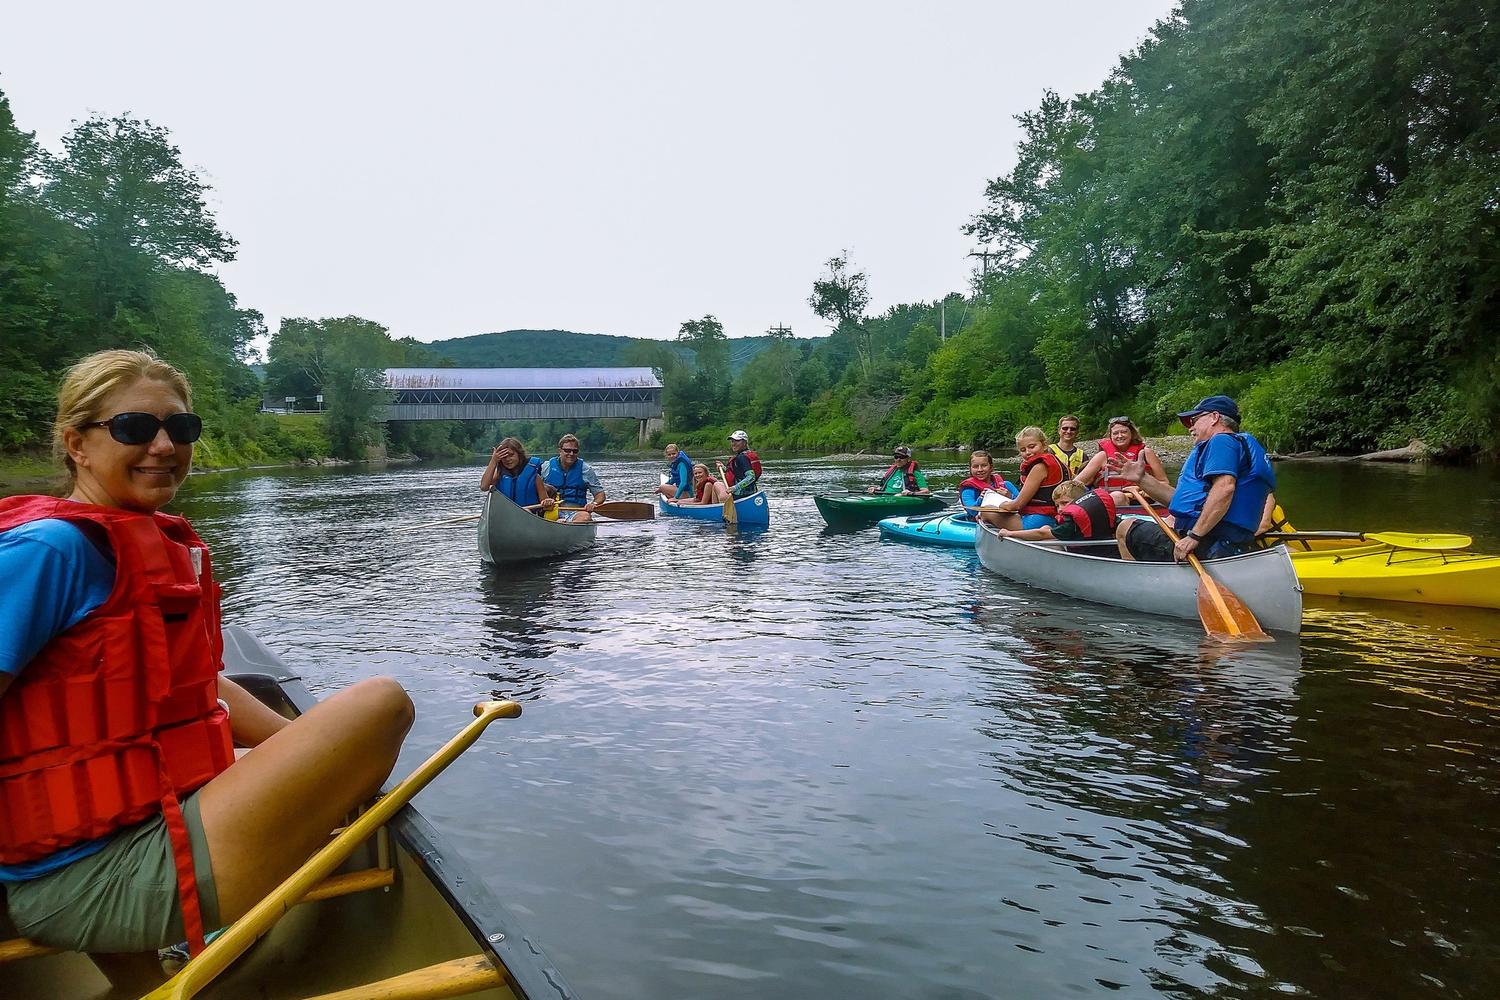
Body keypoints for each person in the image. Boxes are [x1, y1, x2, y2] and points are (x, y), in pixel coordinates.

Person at [0, 349, 413, 978]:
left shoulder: (140, 538)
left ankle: (157, 974)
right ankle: (192, 940)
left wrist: (310, 756)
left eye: (181, 429)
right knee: (382, 704)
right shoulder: (51, 550)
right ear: (77, 444)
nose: (164, 445)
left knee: (291, 752)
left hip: (129, 827)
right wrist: (341, 764)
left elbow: (196, 686)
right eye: (135, 429)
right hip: (84, 874)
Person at [1114, 395, 1277, 562]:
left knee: (1125, 527)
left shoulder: (1221, 441)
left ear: (1214, 417)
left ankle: (1143, 583)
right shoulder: (1238, 445)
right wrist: (1142, 478)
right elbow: (1178, 501)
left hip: (1207, 543)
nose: (1190, 427)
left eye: (1194, 420)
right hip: (1226, 543)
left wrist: (1194, 536)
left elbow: (1225, 488)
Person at [986, 426, 1067, 530]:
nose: (1028, 452)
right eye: (1023, 450)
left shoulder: (1039, 468)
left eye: (1032, 446)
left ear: (1044, 445)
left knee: (985, 512)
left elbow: (1018, 505)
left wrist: (1002, 505)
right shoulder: (1061, 463)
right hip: (1058, 518)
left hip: (1041, 520)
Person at [996, 479, 1123, 543]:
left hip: (1085, 554)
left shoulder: (1070, 522)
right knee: (1046, 526)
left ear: (1080, 500)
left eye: (1065, 503)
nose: (1061, 509)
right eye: (1057, 505)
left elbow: (1042, 534)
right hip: (1102, 548)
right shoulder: (1101, 512)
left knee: (1045, 530)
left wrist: (1010, 533)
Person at [1074, 416, 1167, 490]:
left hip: (1142, 499)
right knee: (1117, 496)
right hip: (1111, 500)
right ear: (1110, 436)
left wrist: (1141, 490)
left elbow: (1164, 482)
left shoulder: (1146, 453)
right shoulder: (1102, 456)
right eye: (1115, 433)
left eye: (1124, 432)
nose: (1120, 436)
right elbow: (1077, 482)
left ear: (1132, 433)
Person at [540, 433, 605, 523]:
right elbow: (535, 487)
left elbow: (600, 494)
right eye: (567, 450)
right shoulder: (546, 467)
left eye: (575, 451)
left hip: (577, 512)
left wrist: (594, 504)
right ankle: (560, 523)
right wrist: (544, 499)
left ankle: (568, 525)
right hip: (551, 511)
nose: (571, 454)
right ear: (560, 451)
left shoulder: (586, 470)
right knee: (556, 520)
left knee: (585, 517)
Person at [479, 436, 545, 508]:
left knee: (526, 511)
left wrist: (547, 502)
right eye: (504, 457)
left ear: (519, 455)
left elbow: (545, 502)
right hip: (506, 515)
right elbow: (484, 487)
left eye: (511, 455)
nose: (508, 459)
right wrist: (493, 461)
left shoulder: (535, 477)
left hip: (529, 514)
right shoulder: (499, 475)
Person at [956, 450, 1013, 523]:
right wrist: (981, 500)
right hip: (977, 524)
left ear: (991, 467)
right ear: (970, 468)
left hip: (1007, 521)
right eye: (975, 467)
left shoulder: (1007, 485)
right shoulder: (968, 490)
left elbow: (1024, 505)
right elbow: (972, 511)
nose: (980, 470)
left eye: (984, 465)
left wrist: (1010, 496)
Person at [724, 430, 763, 498]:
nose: (733, 444)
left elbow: (751, 477)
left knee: (716, 485)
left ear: (744, 442)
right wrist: (723, 468)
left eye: (737, 441)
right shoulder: (747, 455)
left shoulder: (742, 457)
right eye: (732, 441)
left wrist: (734, 488)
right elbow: (738, 473)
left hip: (739, 495)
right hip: (751, 492)